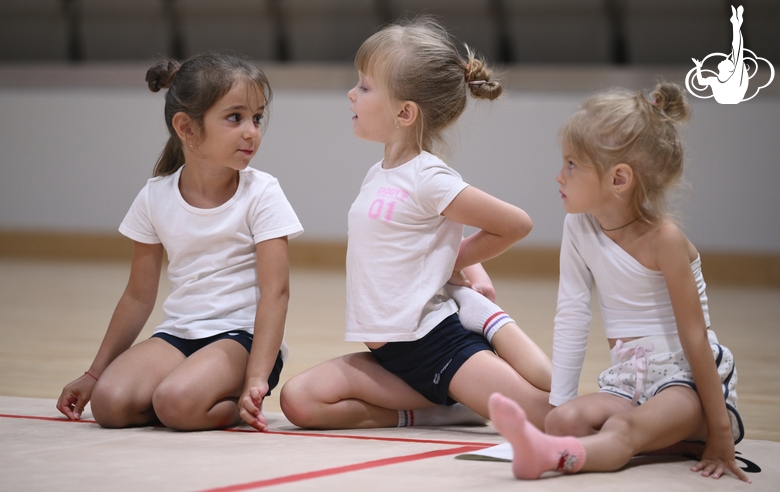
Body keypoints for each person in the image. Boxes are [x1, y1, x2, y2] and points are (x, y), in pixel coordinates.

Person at [279, 17, 551, 430]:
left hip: (438, 345)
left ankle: (487, 322)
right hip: (396, 355)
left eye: (365, 87)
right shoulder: (379, 172)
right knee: (299, 401)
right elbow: (428, 237)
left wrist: (458, 261)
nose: (351, 94)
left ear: (405, 112)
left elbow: (516, 224)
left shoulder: (429, 177)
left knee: (553, 416)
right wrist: (459, 263)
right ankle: (442, 411)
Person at [488, 82, 749, 482]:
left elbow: (695, 337)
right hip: (629, 380)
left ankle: (551, 456)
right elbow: (572, 312)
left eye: (572, 165)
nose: (559, 175)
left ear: (619, 178)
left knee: (622, 431)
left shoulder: (666, 240)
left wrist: (721, 431)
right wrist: (559, 404)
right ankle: (620, 439)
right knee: (563, 421)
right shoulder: (578, 226)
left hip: (687, 382)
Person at [55, 52, 303, 432]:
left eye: (257, 117)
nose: (252, 130)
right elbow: (138, 296)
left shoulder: (263, 193)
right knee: (109, 404)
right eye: (235, 117)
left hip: (243, 339)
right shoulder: (155, 197)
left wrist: (257, 377)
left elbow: (276, 294)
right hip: (178, 334)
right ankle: (183, 398)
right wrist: (94, 373)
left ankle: (219, 402)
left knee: (175, 402)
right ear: (187, 127)